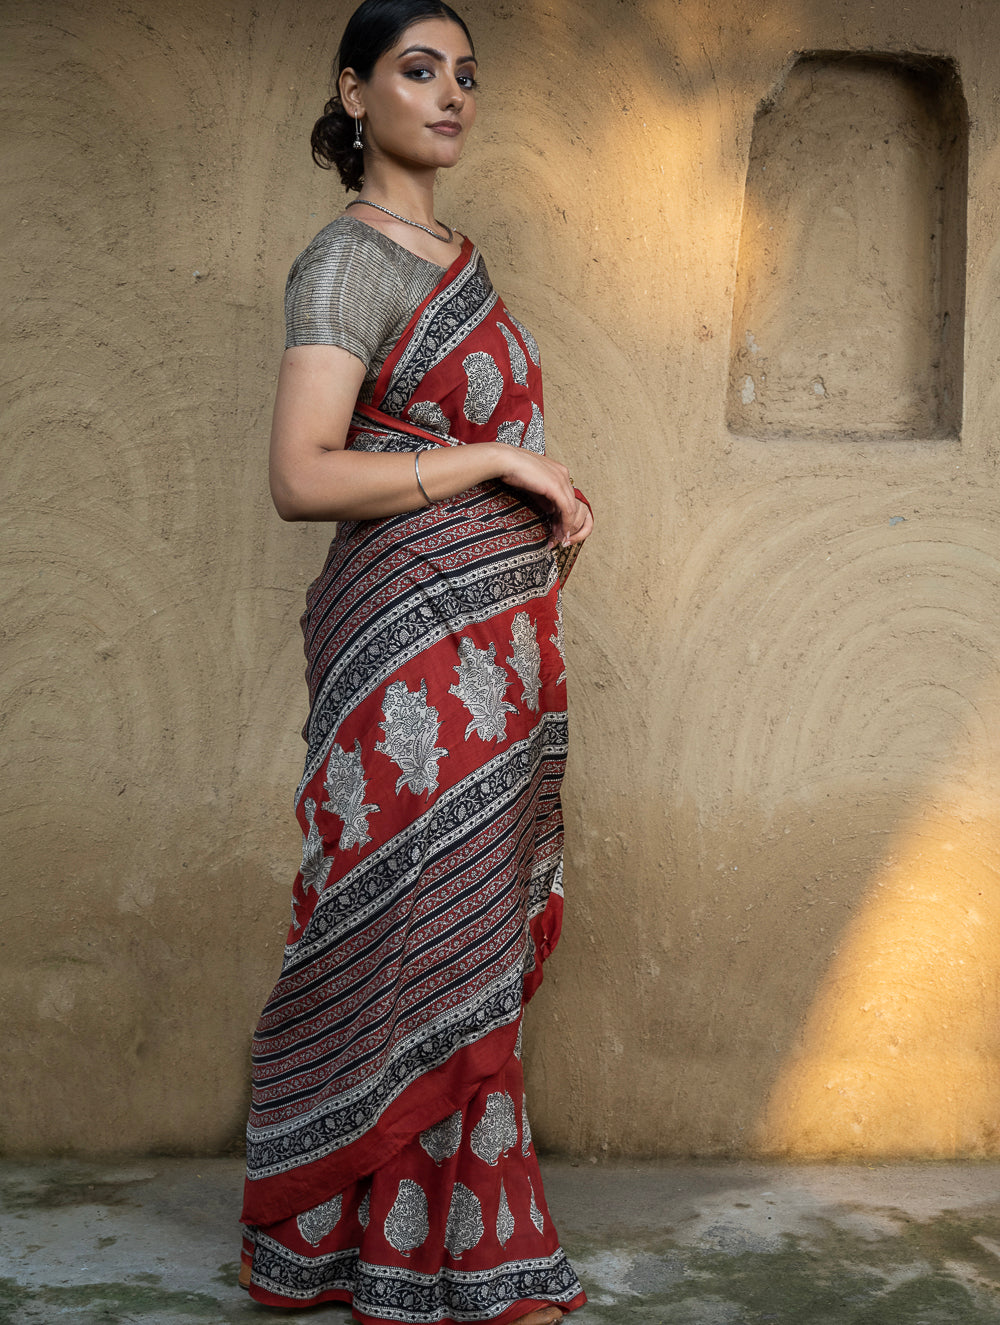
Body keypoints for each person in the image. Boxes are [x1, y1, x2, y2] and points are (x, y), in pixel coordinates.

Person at [238, 2, 593, 1321]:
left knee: (468, 934)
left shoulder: (455, 257)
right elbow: (302, 473)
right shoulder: (344, 264)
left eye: (466, 78)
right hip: (398, 660)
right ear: (356, 91)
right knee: (390, 921)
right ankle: (342, 1234)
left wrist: (548, 500)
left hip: (490, 663)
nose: (451, 96)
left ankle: (442, 1237)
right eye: (419, 70)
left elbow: (491, 437)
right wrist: (498, 461)